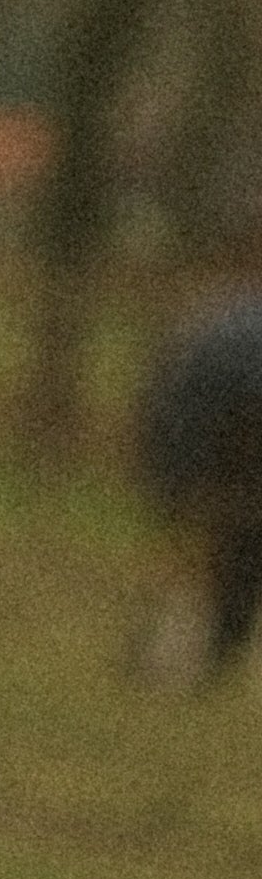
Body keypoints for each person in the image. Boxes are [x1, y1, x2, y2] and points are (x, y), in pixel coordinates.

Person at [138, 286, 262, 681]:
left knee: (221, 553)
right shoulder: (232, 337)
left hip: (199, 449)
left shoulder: (221, 324)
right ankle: (190, 655)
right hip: (213, 451)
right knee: (232, 553)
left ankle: (178, 655)